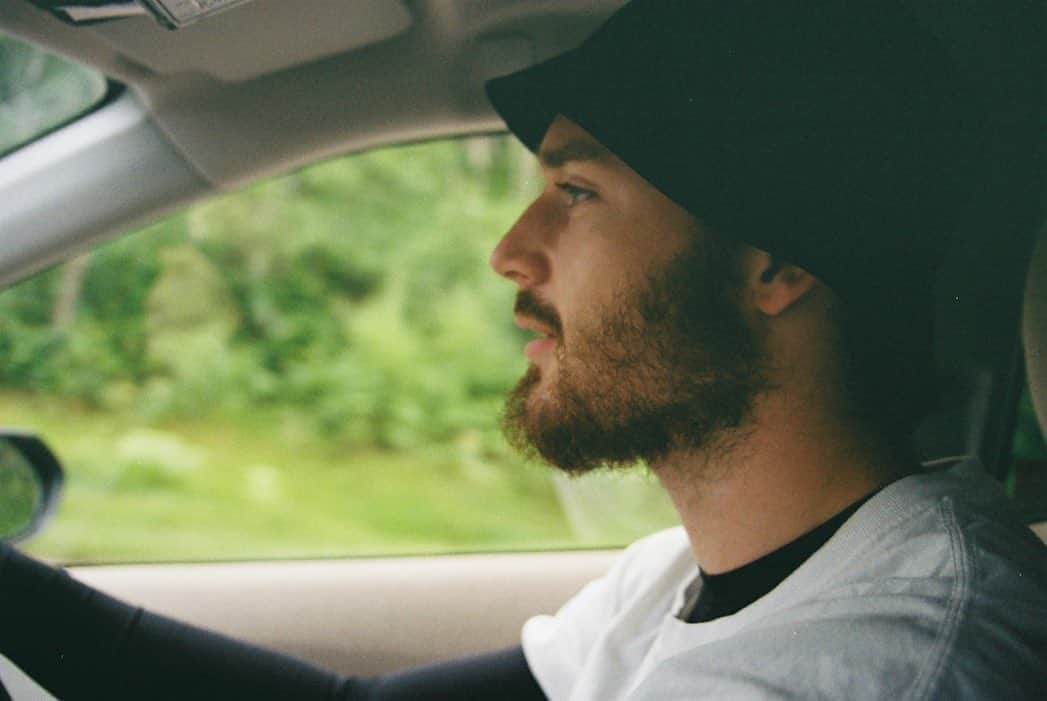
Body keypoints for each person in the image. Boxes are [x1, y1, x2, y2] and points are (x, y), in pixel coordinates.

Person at [2, 1, 1046, 699]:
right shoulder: (711, 570)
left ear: (775, 261)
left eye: (576, 193)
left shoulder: (867, 666)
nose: (510, 253)